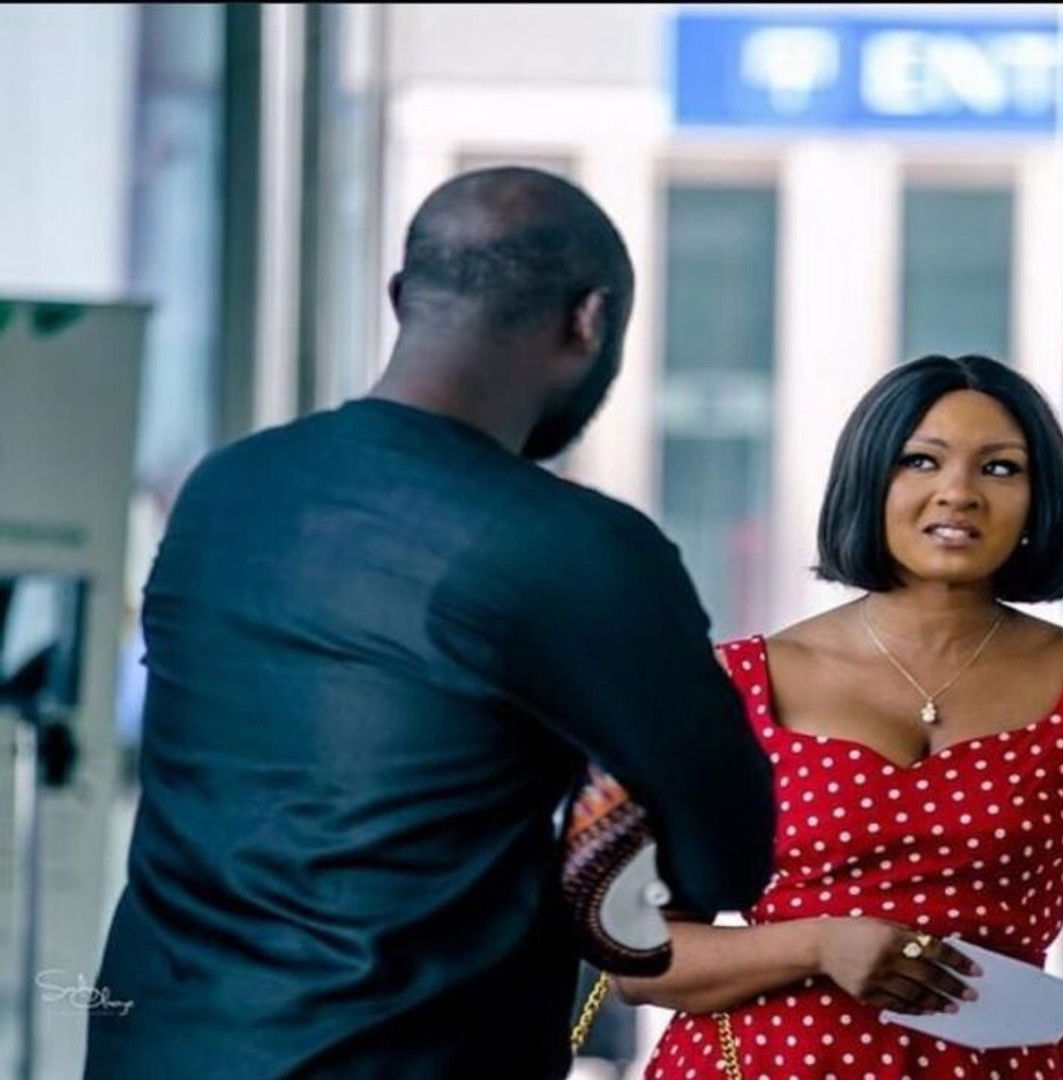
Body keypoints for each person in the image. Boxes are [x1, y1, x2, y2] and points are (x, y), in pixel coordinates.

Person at [86, 167, 776, 1079]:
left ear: (400, 296)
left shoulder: (226, 489)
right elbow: (725, 858)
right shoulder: (575, 547)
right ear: (590, 319)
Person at [614, 354, 1063, 1079]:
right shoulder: (733, 685)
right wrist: (817, 944)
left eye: (1000, 468)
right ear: (868, 479)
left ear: (1040, 500)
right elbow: (637, 955)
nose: (959, 493)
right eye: (921, 461)